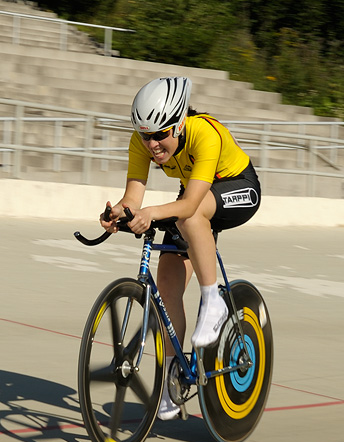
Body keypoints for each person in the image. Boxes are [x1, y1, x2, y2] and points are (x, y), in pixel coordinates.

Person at [101, 76, 261, 420]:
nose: (153, 145)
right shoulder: (141, 141)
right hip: (196, 196)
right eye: (146, 136)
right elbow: (133, 197)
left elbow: (189, 205)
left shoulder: (205, 133)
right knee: (168, 285)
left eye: (161, 135)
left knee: (189, 216)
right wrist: (120, 212)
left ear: (180, 123)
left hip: (237, 188)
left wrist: (151, 214)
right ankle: (174, 377)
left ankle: (213, 301)